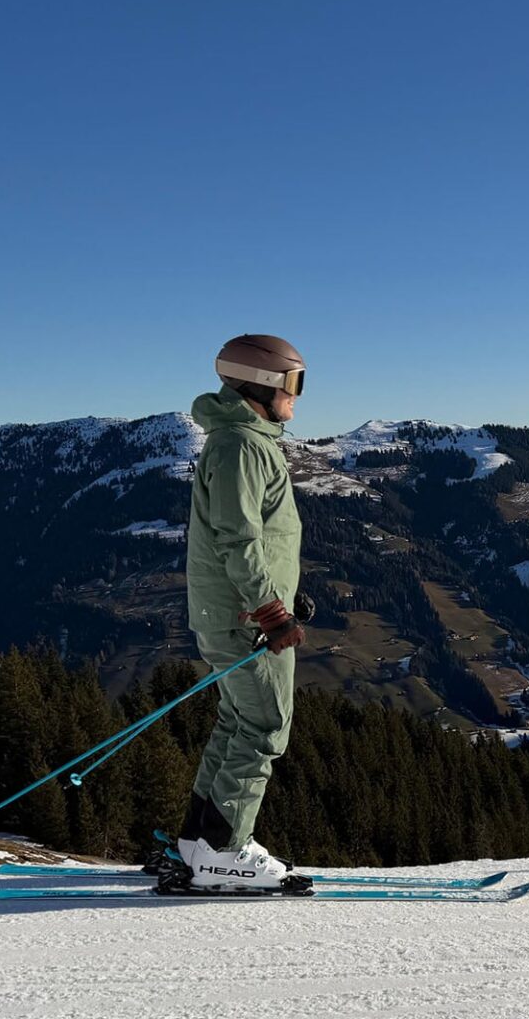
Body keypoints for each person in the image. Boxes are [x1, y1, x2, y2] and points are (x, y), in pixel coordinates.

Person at [176, 333, 311, 890]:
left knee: (237, 721)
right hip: (245, 620)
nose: (298, 398)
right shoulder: (241, 446)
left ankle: (199, 843)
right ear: (265, 382)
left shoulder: (243, 442)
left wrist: (280, 592)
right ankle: (224, 854)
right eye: (296, 384)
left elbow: (254, 538)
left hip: (235, 613)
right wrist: (270, 609)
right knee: (264, 726)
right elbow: (238, 538)